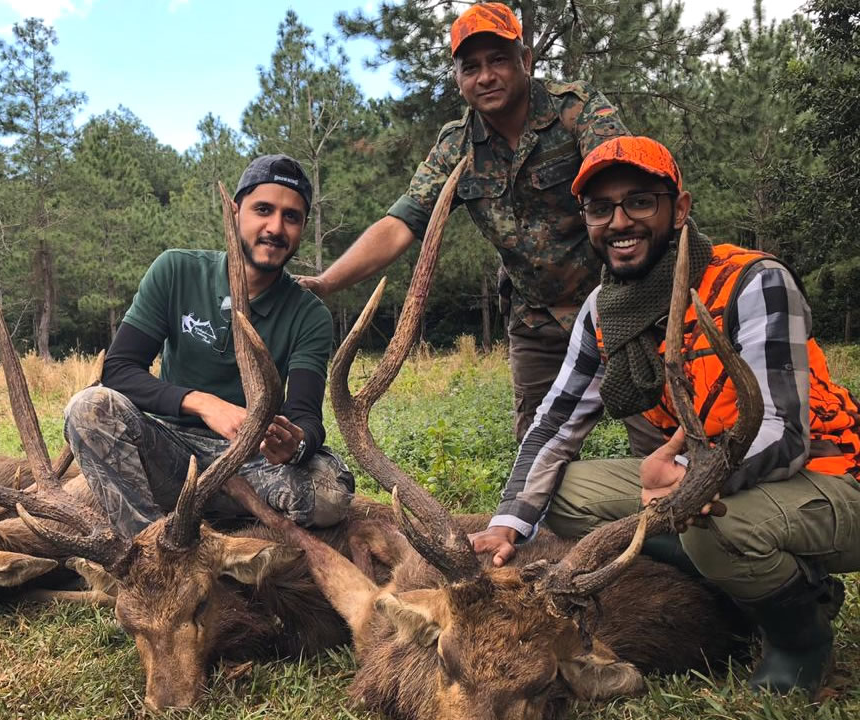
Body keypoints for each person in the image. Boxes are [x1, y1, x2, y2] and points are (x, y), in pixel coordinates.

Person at [468, 135, 860, 695]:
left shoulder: (752, 282)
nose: (619, 222)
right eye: (600, 208)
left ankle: (801, 637)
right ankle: (749, 588)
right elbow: (555, 423)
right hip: (719, 471)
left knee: (716, 524)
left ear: (679, 209)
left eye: (639, 202)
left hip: (842, 479)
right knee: (563, 493)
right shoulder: (604, 310)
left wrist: (685, 485)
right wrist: (508, 522)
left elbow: (783, 433)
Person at [300, 2, 659, 452]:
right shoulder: (456, 148)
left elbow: (627, 183)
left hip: (617, 302)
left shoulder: (577, 110)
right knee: (538, 454)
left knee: (659, 438)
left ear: (525, 60)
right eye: (470, 67)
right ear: (458, 78)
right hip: (537, 318)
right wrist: (327, 282)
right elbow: (399, 224)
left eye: (498, 60)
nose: (486, 76)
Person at [63, 154, 354, 538]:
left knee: (330, 492)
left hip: (254, 462)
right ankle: (149, 546)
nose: (275, 227)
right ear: (234, 212)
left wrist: (295, 445)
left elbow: (305, 415)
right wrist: (202, 403)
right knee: (88, 408)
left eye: (291, 217)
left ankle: (218, 521)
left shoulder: (309, 314)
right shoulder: (175, 271)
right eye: (263, 210)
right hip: (172, 453)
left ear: (302, 227)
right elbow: (119, 370)